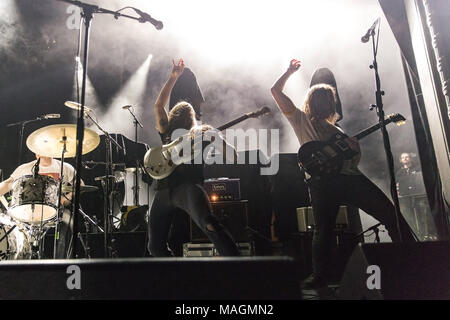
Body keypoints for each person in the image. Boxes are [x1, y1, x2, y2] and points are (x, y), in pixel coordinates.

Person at [271, 59, 415, 288]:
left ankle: (409, 261)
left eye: (329, 99)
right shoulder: (301, 119)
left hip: (340, 179)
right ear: (316, 102)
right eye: (325, 99)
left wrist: (354, 150)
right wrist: (289, 71)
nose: (328, 102)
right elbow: (275, 92)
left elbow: (351, 161)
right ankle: (412, 262)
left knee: (328, 229)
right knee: (383, 217)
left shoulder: (337, 130)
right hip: (337, 181)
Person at [147, 58, 239, 257]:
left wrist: (218, 139)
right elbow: (158, 106)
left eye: (187, 111)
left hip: (188, 187)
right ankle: (176, 279)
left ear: (194, 117)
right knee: (155, 246)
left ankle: (238, 265)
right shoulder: (167, 131)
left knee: (209, 224)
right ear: (172, 116)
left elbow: (233, 156)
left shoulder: (203, 133)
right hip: (164, 191)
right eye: (178, 110)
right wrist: (173, 78)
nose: (182, 111)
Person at [0, 154, 80, 258]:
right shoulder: (25, 168)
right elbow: (8, 184)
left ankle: (61, 265)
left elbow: (80, 184)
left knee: (68, 222)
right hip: (27, 214)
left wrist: (67, 198)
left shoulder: (65, 167)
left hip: (56, 212)